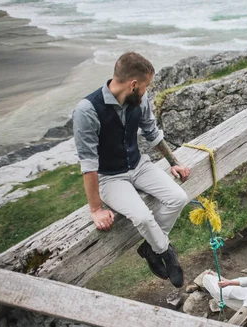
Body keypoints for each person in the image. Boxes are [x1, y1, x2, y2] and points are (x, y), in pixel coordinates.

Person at [73, 51, 190, 288]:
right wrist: (96, 210)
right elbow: (89, 164)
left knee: (178, 197)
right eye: (146, 85)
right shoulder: (87, 110)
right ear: (134, 84)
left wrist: (174, 162)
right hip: (110, 178)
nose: (147, 90)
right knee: (142, 217)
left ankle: (151, 248)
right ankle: (166, 252)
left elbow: (152, 133)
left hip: (139, 165)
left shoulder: (139, 99)